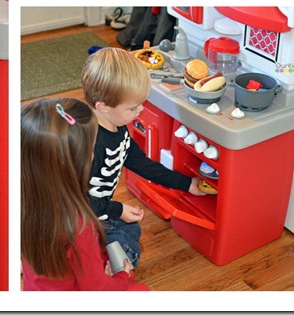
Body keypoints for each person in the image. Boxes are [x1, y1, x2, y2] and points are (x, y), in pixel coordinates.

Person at [81, 47, 205, 268]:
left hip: (100, 212)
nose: (140, 110)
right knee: (125, 244)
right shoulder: (89, 145)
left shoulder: (117, 127)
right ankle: (99, 269)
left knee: (131, 228)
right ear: (103, 107)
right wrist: (117, 209)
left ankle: (99, 260)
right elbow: (76, 202)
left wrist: (186, 183)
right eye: (132, 108)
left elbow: (142, 164)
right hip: (78, 218)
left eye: (141, 103)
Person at [21, 98, 149, 291]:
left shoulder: (23, 200)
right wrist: (123, 277)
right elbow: (95, 289)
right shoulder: (79, 225)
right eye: (91, 147)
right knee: (141, 290)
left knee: (118, 231)